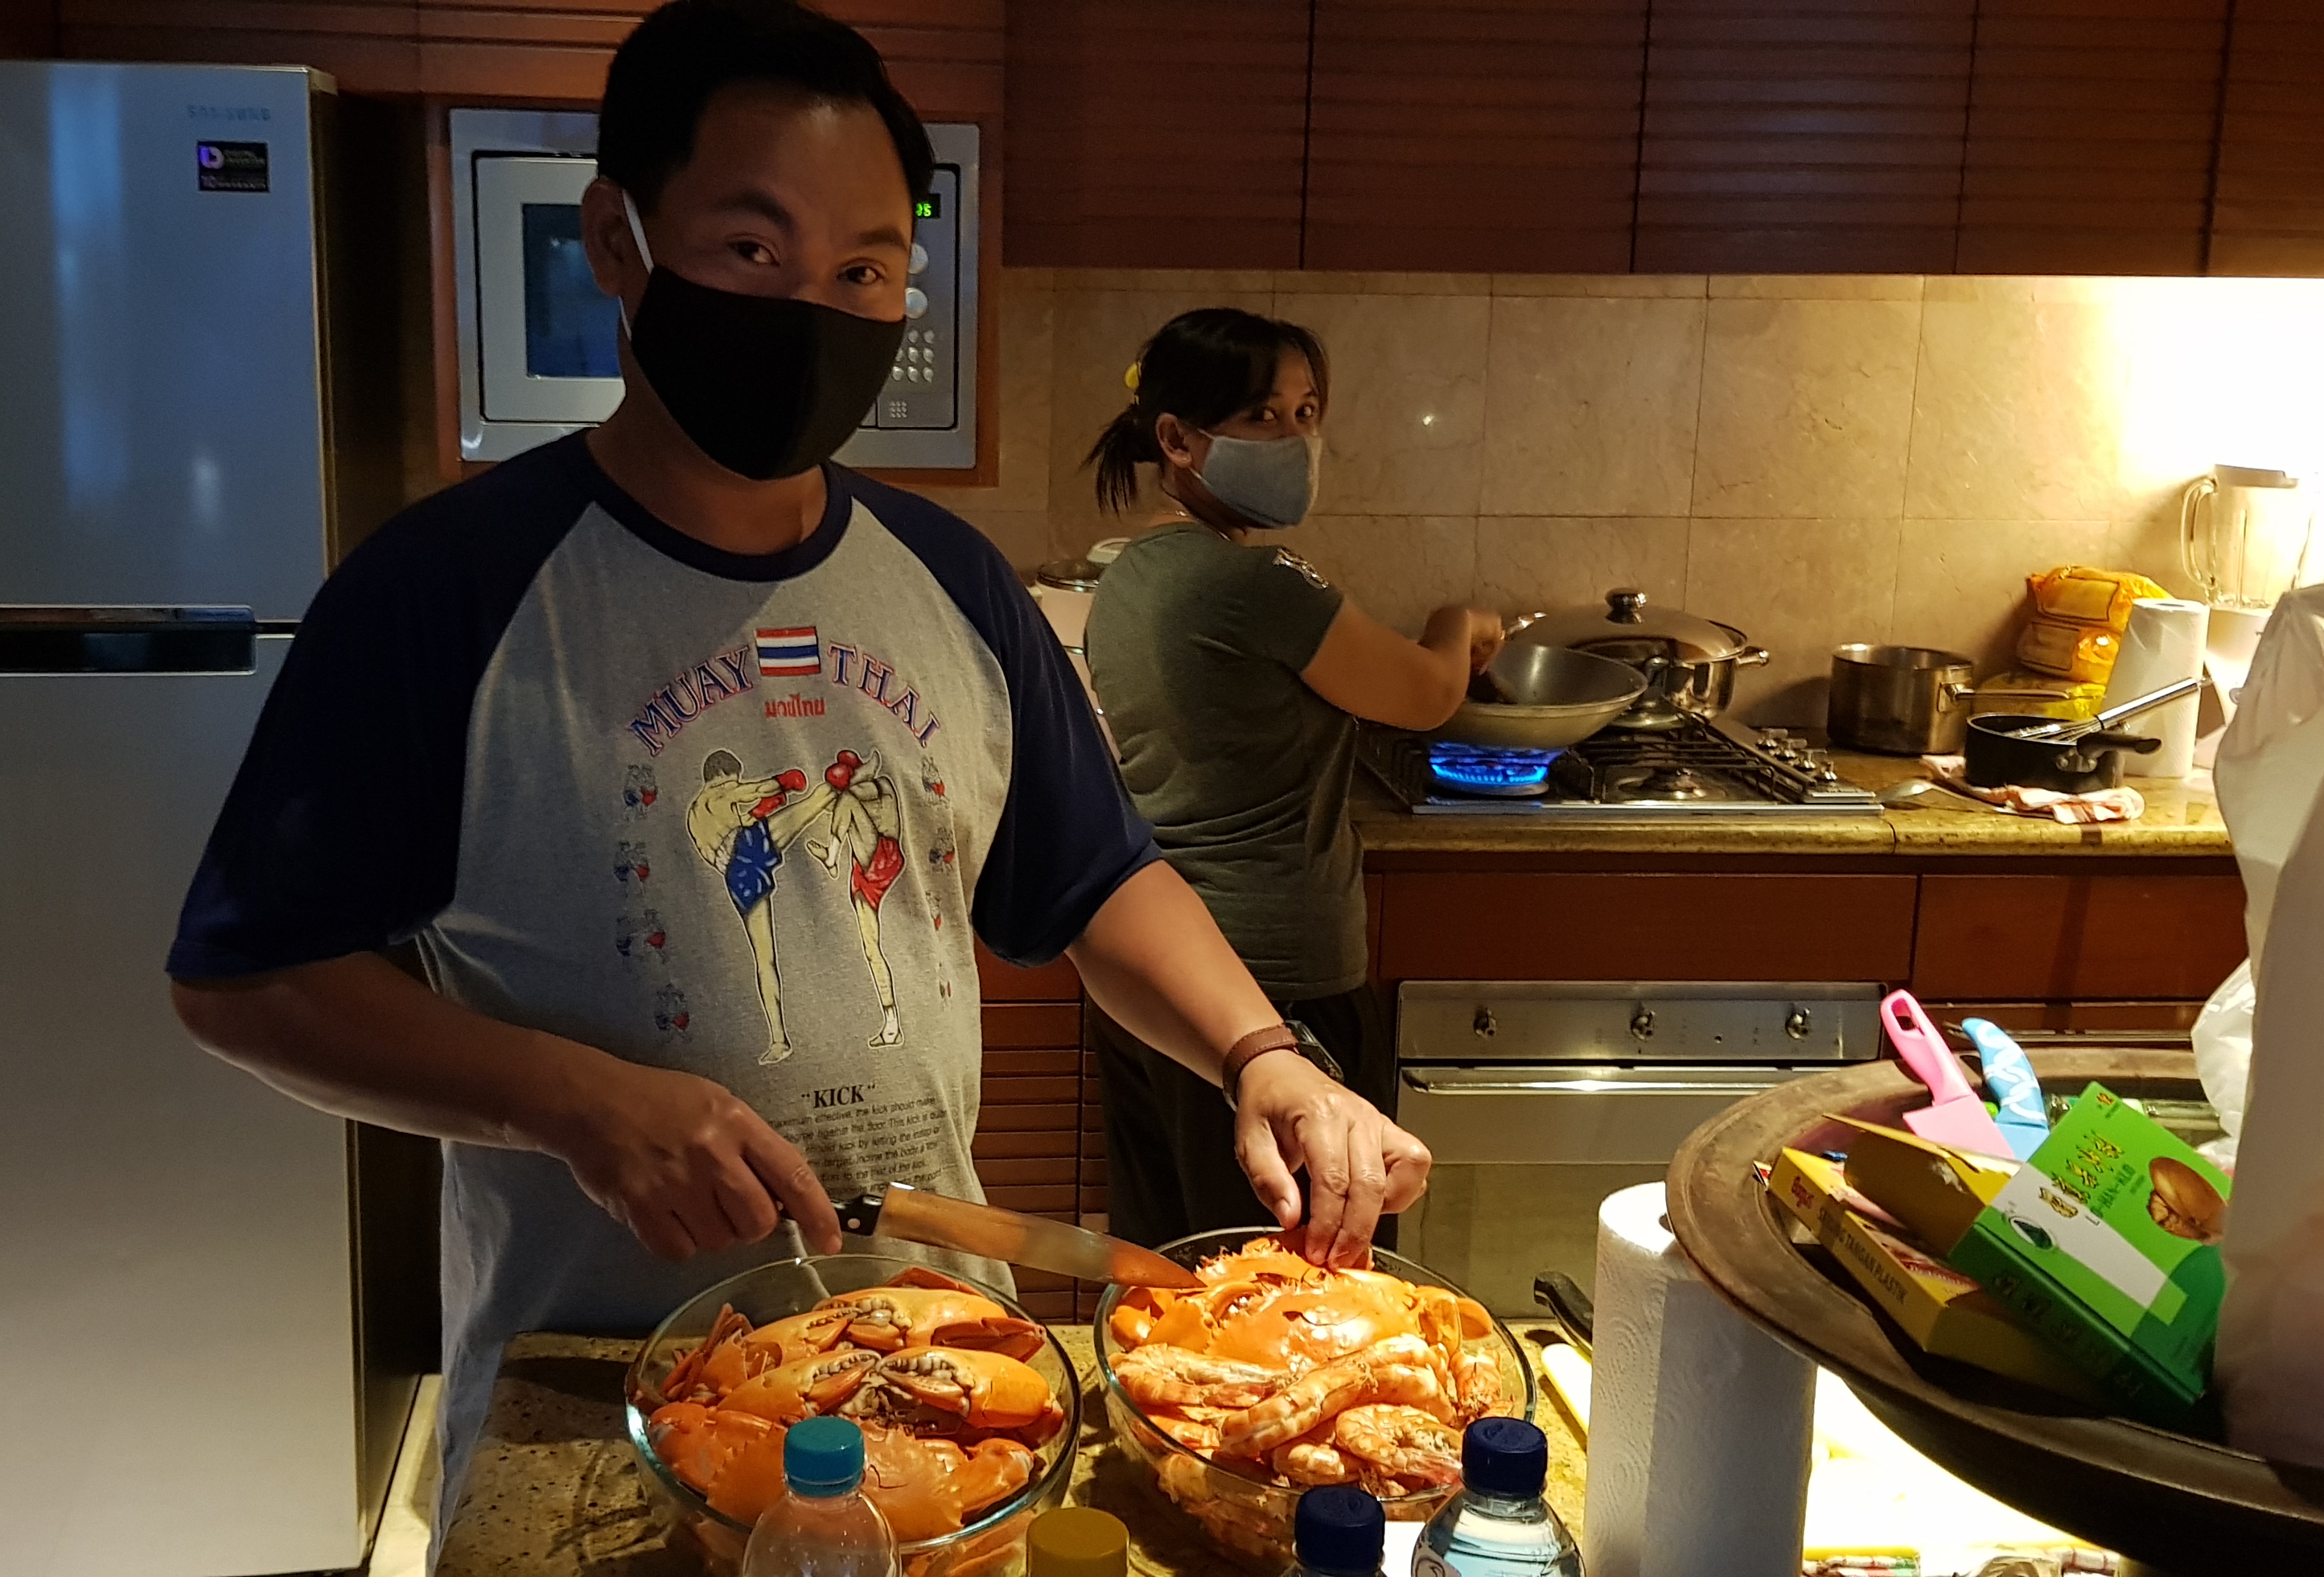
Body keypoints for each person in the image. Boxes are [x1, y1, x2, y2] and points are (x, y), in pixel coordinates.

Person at [160, 0, 1430, 1531]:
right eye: (752, 249)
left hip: (940, 1373)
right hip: (594, 1390)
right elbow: (245, 978)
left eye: (863, 270)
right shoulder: (446, 594)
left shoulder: (950, 582)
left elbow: (1097, 880)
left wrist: (1262, 1054)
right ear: (618, 241)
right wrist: (574, 1102)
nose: (812, 310)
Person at [1078, 308, 1504, 1248]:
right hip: (1276, 989)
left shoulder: (1128, 575)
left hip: (1165, 988)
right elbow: (1427, 693)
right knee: (1302, 1274)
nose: (1295, 439)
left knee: (1178, 1263)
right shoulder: (1256, 582)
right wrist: (1459, 620)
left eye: (1307, 414)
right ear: (1178, 440)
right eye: (1263, 417)